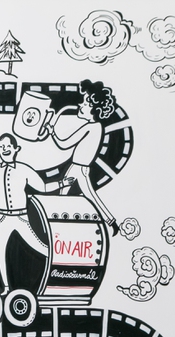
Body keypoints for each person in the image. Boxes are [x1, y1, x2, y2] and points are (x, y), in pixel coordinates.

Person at [0, 133, 73, 293]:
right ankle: (6, 288)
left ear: (16, 149)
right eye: (1, 147)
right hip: (2, 218)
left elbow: (43, 187)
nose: (5, 149)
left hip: (20, 217)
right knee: (0, 253)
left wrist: (61, 183)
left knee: (39, 246)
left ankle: (61, 268)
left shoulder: (24, 169)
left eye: (8, 146)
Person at [45, 79, 120, 236]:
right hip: (78, 167)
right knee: (71, 196)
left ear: (94, 108)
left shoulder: (91, 127)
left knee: (78, 197)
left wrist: (52, 132)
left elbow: (64, 144)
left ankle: (60, 227)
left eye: (85, 103)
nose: (80, 105)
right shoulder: (97, 127)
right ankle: (110, 222)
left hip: (79, 168)